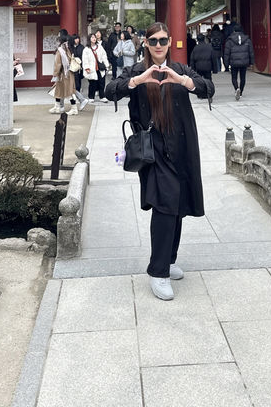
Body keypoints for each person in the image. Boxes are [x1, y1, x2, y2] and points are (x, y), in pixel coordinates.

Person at [105, 22, 214, 301]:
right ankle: (158, 271)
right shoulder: (137, 71)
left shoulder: (179, 69)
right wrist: (139, 80)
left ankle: (169, 259)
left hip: (183, 147)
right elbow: (111, 90)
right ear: (145, 43)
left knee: (178, 206)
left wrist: (183, 81)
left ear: (170, 42)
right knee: (165, 205)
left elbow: (208, 88)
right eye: (152, 41)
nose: (157, 46)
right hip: (154, 151)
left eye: (163, 41)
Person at [223, 23, 254, 100]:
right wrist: (251, 62)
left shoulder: (230, 40)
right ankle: (241, 92)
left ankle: (236, 88)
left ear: (234, 30)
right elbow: (251, 51)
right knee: (243, 77)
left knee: (234, 77)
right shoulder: (247, 40)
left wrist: (226, 63)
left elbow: (226, 53)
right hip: (244, 61)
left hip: (234, 62)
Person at [50, 35, 78, 115]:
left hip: (63, 74)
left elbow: (57, 64)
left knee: (68, 92)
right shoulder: (67, 49)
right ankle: (57, 106)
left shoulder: (60, 50)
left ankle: (74, 108)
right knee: (59, 90)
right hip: (68, 73)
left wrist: (55, 74)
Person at [82, 32, 109, 103]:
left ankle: (102, 96)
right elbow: (85, 59)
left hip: (100, 68)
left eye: (94, 37)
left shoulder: (100, 47)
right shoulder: (86, 49)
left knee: (102, 82)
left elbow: (104, 56)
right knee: (92, 83)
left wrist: (106, 65)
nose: (94, 38)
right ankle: (91, 97)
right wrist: (87, 68)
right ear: (89, 39)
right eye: (92, 37)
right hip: (92, 69)